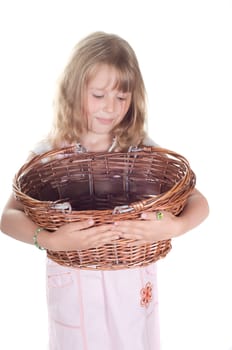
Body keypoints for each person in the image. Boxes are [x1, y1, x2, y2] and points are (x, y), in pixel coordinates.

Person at [0, 31, 209, 350]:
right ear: (73, 91)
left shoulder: (141, 150)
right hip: (75, 284)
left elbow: (198, 200)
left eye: (122, 97)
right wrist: (51, 239)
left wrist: (176, 225)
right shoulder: (51, 153)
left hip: (132, 278)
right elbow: (9, 215)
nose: (110, 108)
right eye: (98, 95)